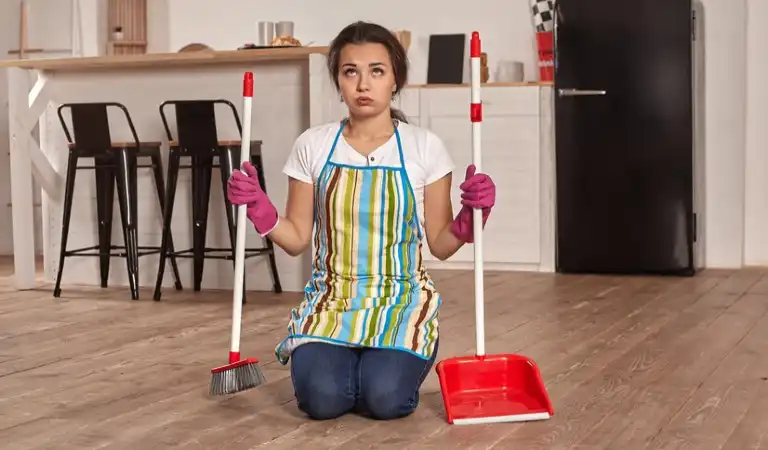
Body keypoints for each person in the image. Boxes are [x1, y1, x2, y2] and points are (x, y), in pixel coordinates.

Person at [227, 21, 496, 421]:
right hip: (332, 300)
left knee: (385, 399)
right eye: (350, 71)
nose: (362, 84)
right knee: (323, 401)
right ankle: (348, 359)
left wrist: (469, 219)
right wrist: (259, 209)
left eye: (377, 71)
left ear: (395, 80)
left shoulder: (424, 147)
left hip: (399, 301)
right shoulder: (314, 145)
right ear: (338, 81)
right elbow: (297, 237)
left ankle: (385, 360)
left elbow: (440, 243)